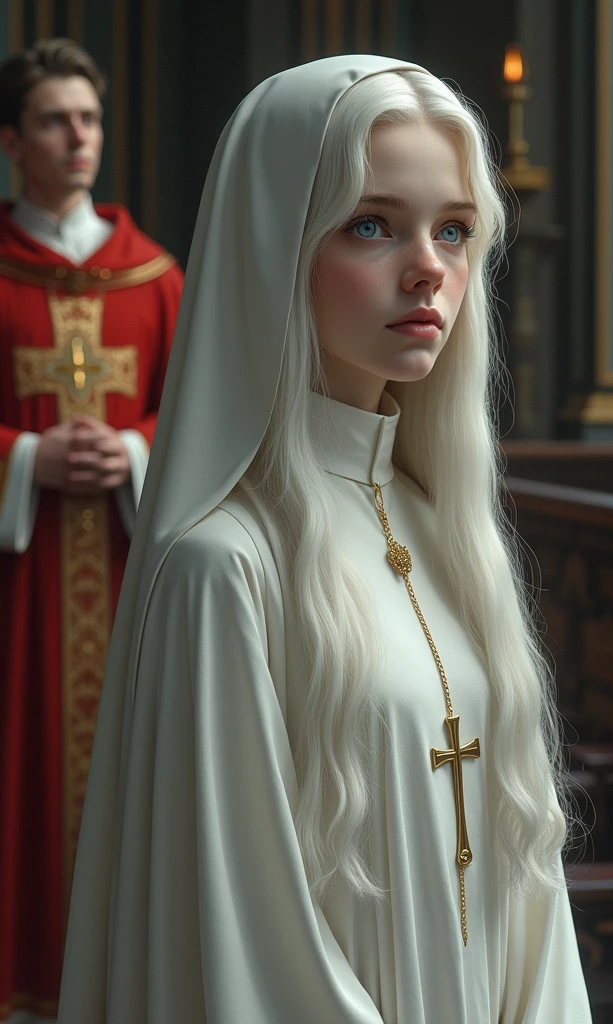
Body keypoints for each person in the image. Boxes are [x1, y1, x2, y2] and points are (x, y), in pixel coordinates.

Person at [57, 55, 591, 1023]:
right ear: (274, 247)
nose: (429, 265)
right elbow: (246, 946)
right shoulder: (222, 570)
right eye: (372, 224)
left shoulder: (446, 534)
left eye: (455, 230)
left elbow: (528, 881)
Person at [0, 38, 183, 1022]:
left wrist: (137, 453)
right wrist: (23, 461)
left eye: (91, 119)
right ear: (10, 141)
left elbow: (202, 412)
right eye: (55, 120)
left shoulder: (154, 277)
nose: (79, 138)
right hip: (15, 595)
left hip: (132, 581)